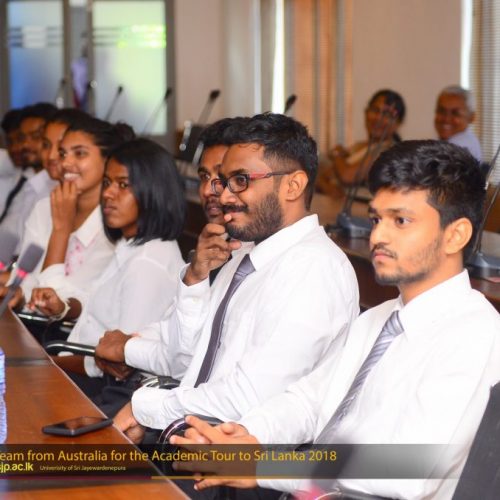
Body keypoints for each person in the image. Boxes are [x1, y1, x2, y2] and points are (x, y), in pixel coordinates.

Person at [173, 140, 500, 500]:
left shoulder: (475, 333)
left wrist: (263, 464)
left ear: (456, 235)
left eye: (400, 221)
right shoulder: (378, 319)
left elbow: (409, 469)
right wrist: (247, 435)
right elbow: (308, 401)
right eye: (376, 219)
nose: (378, 236)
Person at [113, 113, 359, 444]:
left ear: (293, 185)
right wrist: (196, 279)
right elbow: (185, 360)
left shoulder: (314, 269)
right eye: (225, 182)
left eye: (241, 180)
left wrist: (147, 408)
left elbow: (247, 398)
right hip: (187, 435)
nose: (225, 196)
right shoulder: (244, 255)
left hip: (238, 460)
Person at [29, 138, 185, 396]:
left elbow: (120, 365)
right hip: (80, 370)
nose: (108, 194)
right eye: (107, 183)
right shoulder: (131, 246)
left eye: (123, 185)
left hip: (103, 391)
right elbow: (99, 307)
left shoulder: (147, 264)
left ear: (154, 191)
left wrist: (48, 363)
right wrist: (64, 306)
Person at [94, 117, 249, 372]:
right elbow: (171, 331)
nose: (207, 190)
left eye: (222, 177)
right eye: (204, 176)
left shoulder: (249, 260)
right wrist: (130, 344)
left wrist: (128, 349)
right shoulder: (216, 248)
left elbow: (186, 361)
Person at [0, 114, 133, 312]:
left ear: (107, 161)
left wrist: (61, 230)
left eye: (79, 154)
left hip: (71, 330)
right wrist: (19, 294)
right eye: (63, 154)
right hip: (29, 320)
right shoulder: (44, 207)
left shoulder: (114, 219)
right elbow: (26, 278)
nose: (65, 163)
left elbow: (61, 298)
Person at [316, 89, 405, 197]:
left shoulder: (388, 151)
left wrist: (337, 154)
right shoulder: (359, 146)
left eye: (386, 114)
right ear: (366, 112)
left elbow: (347, 176)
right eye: (375, 110)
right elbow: (322, 177)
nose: (378, 118)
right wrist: (327, 187)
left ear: (398, 123)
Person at [0, 103, 58, 248]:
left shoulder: (56, 188)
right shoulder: (25, 177)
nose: (25, 145)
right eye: (22, 138)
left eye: (36, 136)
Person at [434, 85, 482, 161]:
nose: (446, 119)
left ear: (472, 117)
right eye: (441, 111)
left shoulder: (459, 148)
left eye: (455, 113)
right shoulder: (446, 143)